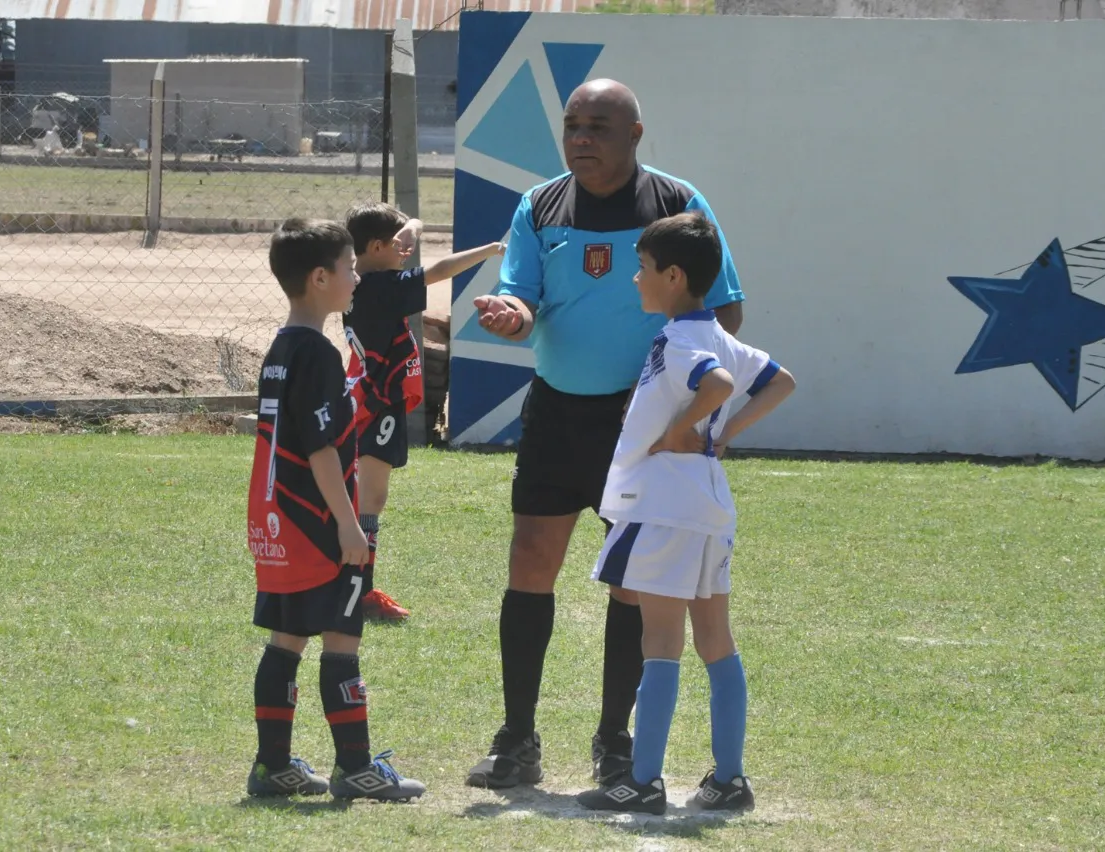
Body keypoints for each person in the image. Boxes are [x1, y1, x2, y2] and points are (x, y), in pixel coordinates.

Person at [466, 79, 747, 789]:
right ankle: (516, 738)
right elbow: (523, 301)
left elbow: (726, 311)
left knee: (634, 584)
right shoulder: (539, 205)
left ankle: (615, 741)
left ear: (635, 135)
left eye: (598, 126)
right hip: (559, 409)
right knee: (531, 558)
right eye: (572, 125)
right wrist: (510, 317)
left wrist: (679, 398)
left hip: (642, 425)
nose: (581, 138)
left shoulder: (679, 204)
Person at [575, 212, 795, 815]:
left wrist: (681, 428)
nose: (636, 280)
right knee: (717, 643)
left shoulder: (680, 340)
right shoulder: (718, 332)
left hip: (665, 505)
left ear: (673, 275)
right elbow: (781, 382)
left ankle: (643, 781)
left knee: (661, 645)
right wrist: (722, 440)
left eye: (643, 269)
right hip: (707, 503)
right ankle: (730, 780)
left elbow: (718, 384)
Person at [244, 217, 425, 802]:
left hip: (278, 519)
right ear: (320, 278)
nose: (355, 278)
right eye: (349, 268)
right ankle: (356, 769)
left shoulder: (281, 347)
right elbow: (321, 450)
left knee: (286, 640)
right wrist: (351, 526)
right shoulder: (319, 354)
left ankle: (273, 768)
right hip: (318, 523)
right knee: (342, 639)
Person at [343, 202, 507, 622]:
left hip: (374, 399)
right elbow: (439, 271)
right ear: (377, 246)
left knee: (367, 498)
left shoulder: (362, 277)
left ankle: (355, 587)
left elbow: (407, 235)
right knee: (369, 499)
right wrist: (487, 250)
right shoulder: (381, 287)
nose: (406, 251)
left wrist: (409, 227)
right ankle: (355, 591)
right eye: (397, 245)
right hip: (378, 402)